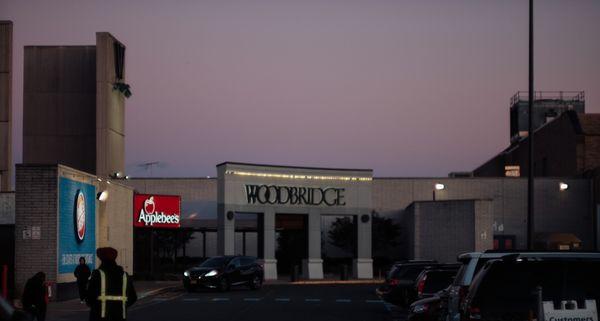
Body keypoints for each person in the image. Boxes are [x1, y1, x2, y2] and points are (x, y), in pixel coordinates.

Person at [86, 248, 137, 321]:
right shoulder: (125, 276)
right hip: (120, 316)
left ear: (101, 259)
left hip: (99, 317)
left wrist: (96, 307)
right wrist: (121, 305)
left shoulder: (97, 274)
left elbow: (89, 298)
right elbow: (133, 297)